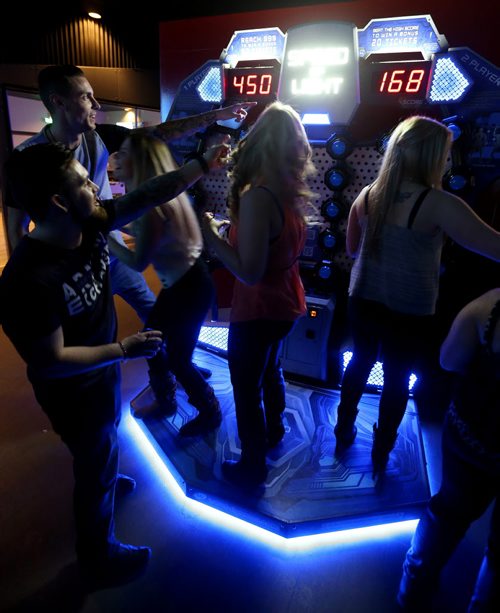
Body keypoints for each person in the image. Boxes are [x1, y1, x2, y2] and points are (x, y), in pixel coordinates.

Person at [0, 139, 227, 588]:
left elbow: (148, 195)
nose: (99, 187)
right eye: (86, 182)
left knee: (102, 450)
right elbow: (53, 361)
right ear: (60, 202)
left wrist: (202, 164)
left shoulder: (91, 221)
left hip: (99, 376)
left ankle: (104, 473)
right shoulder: (28, 281)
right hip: (73, 391)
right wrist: (124, 350)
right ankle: (97, 555)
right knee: (93, 466)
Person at [5, 63, 253, 323]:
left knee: (153, 319)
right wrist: (30, 284)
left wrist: (216, 115)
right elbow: (17, 230)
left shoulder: (98, 137)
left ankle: (162, 360)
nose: (96, 104)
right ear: (58, 102)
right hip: (73, 268)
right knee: (89, 334)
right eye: (85, 96)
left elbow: (160, 134)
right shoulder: (27, 160)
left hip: (112, 257)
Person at [333, 115, 500, 478]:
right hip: (408, 310)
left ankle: (342, 430)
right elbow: (493, 247)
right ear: (431, 157)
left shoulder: (367, 193)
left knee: (359, 362)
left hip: (362, 299)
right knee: (397, 378)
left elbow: (351, 249)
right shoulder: (438, 203)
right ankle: (381, 450)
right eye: (444, 154)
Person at [202, 101, 316, 486]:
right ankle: (274, 431)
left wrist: (209, 236)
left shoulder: (257, 197)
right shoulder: (289, 193)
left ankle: (252, 465)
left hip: (260, 308)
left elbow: (248, 272)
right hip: (285, 305)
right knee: (270, 371)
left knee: (246, 387)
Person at [107, 132, 220, 434]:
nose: (117, 158)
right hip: (190, 283)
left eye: (124, 152)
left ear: (139, 160)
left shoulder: (151, 205)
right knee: (154, 343)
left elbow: (137, 262)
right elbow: (155, 233)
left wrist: (106, 236)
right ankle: (168, 401)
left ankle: (208, 412)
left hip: (186, 288)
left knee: (176, 357)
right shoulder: (167, 192)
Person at [397, 288, 500, 611]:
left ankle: (412, 591)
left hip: (474, 438)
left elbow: (449, 359)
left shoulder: (487, 307)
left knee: (445, 513)